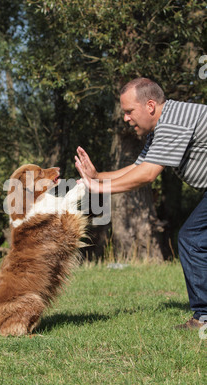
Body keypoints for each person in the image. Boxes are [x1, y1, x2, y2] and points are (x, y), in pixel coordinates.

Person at [75, 77, 207, 330]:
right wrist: (98, 176)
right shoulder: (161, 127)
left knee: (193, 239)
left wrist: (99, 188)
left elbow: (147, 175)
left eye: (128, 111)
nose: (125, 118)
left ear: (149, 106)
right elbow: (138, 167)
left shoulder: (174, 121)